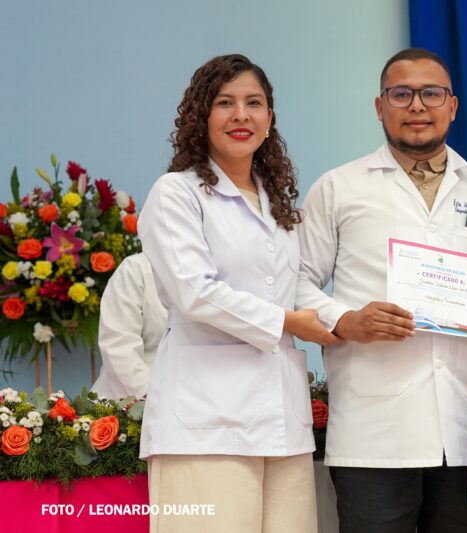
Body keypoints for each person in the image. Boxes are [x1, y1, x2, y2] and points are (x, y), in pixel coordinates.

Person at [296, 48, 467, 533]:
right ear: (379, 106)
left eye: (431, 93)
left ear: (452, 106)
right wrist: (346, 321)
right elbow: (296, 281)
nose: (417, 105)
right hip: (374, 433)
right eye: (401, 94)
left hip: (464, 430)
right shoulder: (338, 187)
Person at [138, 54, 338, 533]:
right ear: (201, 116)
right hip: (204, 426)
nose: (241, 115)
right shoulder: (176, 193)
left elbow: (298, 287)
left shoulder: (277, 204)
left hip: (282, 422)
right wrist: (287, 322)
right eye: (225, 103)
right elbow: (193, 292)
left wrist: (348, 320)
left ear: (270, 118)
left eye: (254, 103)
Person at [92, 253, 167, 399]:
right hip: (133, 395)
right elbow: (119, 347)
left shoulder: (211, 273)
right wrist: (152, 400)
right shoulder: (136, 268)